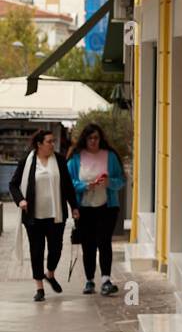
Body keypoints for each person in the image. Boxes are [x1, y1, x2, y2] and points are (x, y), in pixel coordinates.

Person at [10, 129, 79, 302]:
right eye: (49, 141)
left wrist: (74, 207)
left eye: (53, 141)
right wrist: (20, 201)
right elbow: (13, 185)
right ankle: (39, 287)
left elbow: (68, 186)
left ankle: (50, 273)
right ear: (39, 144)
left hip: (56, 214)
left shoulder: (60, 160)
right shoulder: (27, 161)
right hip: (33, 216)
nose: (52, 144)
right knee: (36, 250)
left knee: (56, 248)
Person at [67, 123, 125, 295]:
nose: (93, 141)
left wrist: (109, 183)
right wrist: (85, 186)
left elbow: (121, 179)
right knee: (88, 245)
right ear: (85, 139)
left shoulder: (110, 156)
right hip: (84, 208)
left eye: (96, 138)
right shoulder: (76, 158)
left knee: (104, 242)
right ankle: (89, 280)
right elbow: (69, 183)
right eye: (90, 138)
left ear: (101, 139)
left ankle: (106, 279)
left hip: (107, 206)